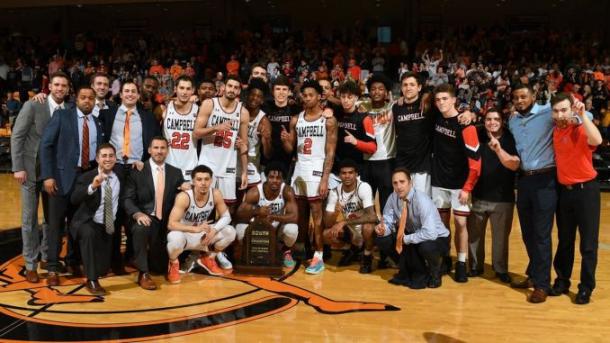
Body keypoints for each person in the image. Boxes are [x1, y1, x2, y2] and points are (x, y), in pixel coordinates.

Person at [40, 86, 105, 285]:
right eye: (83, 97)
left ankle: (72, 260)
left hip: (85, 180)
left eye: (91, 98)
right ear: (76, 99)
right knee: (55, 226)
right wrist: (48, 176)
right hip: (60, 180)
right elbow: (46, 145)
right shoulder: (62, 116)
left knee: (79, 223)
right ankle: (52, 267)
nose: (87, 101)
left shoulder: (96, 122)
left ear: (95, 101)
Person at [11, 71, 71, 284]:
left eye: (64, 85)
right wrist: (17, 167)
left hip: (52, 173)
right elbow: (17, 135)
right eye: (56, 84)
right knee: (29, 219)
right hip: (29, 170)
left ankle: (46, 257)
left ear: (68, 88)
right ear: (50, 86)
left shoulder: (68, 109)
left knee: (51, 219)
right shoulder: (34, 105)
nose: (60, 88)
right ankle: (30, 263)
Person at [99, 80, 161, 273]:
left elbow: (154, 141)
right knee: (112, 214)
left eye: (133, 91)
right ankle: (113, 259)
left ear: (138, 94)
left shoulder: (147, 117)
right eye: (126, 91)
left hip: (137, 168)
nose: (130, 94)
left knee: (134, 212)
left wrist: (144, 159)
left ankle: (133, 256)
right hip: (114, 167)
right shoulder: (107, 114)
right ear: (121, 94)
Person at [549, 93, 602, 305]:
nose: (560, 114)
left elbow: (597, 140)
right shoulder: (554, 130)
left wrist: (582, 116)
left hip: (586, 190)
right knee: (565, 240)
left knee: (588, 243)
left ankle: (586, 287)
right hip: (565, 192)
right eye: (556, 111)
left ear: (571, 109)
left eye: (564, 110)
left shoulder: (580, 127)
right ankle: (562, 281)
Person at [281, 80, 338, 274]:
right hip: (299, 169)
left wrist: (324, 178)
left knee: (317, 214)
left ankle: (319, 255)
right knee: (301, 213)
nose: (307, 98)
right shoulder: (296, 119)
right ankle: (301, 248)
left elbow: (330, 152)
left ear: (319, 96)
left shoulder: (328, 120)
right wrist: (286, 141)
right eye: (304, 95)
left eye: (311, 95)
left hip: (316, 169)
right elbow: (290, 150)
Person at [507, 84, 557, 303]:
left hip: (546, 179)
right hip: (525, 180)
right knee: (528, 233)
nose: (520, 101)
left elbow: (580, 113)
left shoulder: (548, 113)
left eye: (524, 97)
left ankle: (542, 285)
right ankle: (534, 273)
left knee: (541, 235)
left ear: (534, 96)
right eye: (516, 98)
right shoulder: (513, 121)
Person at [430, 83, 481, 283]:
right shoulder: (435, 118)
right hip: (438, 181)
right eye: (438, 99)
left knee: (460, 222)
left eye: (445, 99)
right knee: (442, 225)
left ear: (453, 100)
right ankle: (445, 259)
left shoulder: (466, 125)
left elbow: (476, 162)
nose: (441, 102)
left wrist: (468, 187)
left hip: (459, 184)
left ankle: (461, 262)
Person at [122, 136, 186, 289]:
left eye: (163, 148)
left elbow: (182, 195)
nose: (159, 151)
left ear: (167, 151)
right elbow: (127, 199)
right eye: (156, 148)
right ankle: (143, 274)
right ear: (149, 150)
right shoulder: (138, 171)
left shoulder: (176, 173)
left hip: (164, 221)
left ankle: (159, 262)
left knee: (159, 268)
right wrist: (137, 214)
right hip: (145, 217)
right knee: (141, 227)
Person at [467, 109, 520, 283]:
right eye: (488, 119)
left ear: (502, 121)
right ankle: (475, 266)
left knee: (500, 238)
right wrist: (468, 113)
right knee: (475, 236)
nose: (492, 122)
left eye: (496, 119)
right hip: (478, 195)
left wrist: (498, 149)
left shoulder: (511, 138)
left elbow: (514, 164)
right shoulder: (478, 134)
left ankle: (500, 269)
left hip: (503, 197)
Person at [376, 168, 450, 289]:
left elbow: (430, 233)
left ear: (410, 183)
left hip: (438, 238)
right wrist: (384, 230)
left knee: (426, 246)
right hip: (412, 235)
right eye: (395, 183)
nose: (399, 186)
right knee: (382, 239)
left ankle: (436, 271)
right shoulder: (393, 197)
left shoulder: (422, 200)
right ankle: (407, 268)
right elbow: (388, 221)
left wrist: (405, 239)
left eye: (402, 182)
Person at [166, 165, 236, 283]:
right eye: (199, 179)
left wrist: (214, 230)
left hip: (203, 235)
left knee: (230, 232)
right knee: (174, 238)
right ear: (193, 181)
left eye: (206, 179)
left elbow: (227, 216)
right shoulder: (184, 196)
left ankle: (208, 258)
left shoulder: (215, 193)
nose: (203, 183)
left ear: (211, 180)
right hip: (185, 235)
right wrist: (195, 229)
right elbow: (171, 224)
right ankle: (173, 263)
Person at [69, 143, 121, 295]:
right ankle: (91, 280)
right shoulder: (86, 177)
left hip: (108, 223)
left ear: (115, 159)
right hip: (87, 221)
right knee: (89, 233)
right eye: (104, 156)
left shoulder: (120, 176)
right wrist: (92, 186)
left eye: (111, 156)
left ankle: (96, 269)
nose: (108, 159)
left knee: (103, 269)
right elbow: (74, 198)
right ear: (97, 159)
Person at [193, 74, 249, 212]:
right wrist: (215, 128)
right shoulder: (210, 104)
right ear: (223, 87)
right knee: (201, 205)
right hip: (207, 163)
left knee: (227, 209)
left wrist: (245, 172)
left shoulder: (243, 112)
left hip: (228, 166)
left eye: (236, 88)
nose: (232, 90)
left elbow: (243, 143)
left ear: (239, 91)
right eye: (230, 86)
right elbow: (196, 133)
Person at [235, 162, 299, 268]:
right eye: (271, 177)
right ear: (266, 177)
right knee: (240, 229)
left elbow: (294, 217)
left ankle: (285, 251)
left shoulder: (287, 191)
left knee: (292, 229)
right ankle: (248, 251)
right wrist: (257, 211)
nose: (274, 180)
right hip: (257, 227)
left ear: (282, 179)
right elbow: (239, 214)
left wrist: (272, 217)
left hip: (277, 227)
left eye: (278, 178)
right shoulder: (255, 192)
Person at [324, 160, 378, 273]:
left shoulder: (363, 187)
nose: (347, 176)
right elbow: (328, 223)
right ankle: (350, 249)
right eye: (344, 173)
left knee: (368, 227)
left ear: (356, 174)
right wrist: (334, 213)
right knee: (326, 234)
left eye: (350, 172)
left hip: (367, 230)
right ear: (339, 175)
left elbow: (373, 217)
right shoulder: (335, 192)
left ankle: (367, 256)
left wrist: (344, 222)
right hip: (351, 231)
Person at [331, 81, 376, 189]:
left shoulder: (365, 118)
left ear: (356, 98)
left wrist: (356, 142)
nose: (346, 100)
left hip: (356, 171)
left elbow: (373, 147)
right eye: (343, 97)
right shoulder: (336, 113)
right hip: (336, 170)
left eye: (350, 97)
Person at [237, 78, 272, 190]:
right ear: (247, 95)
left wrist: (265, 140)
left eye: (259, 96)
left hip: (251, 166)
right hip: (231, 160)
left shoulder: (263, 121)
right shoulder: (237, 109)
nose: (254, 98)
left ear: (262, 100)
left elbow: (267, 154)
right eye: (253, 94)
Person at [163, 76, 199, 180]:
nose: (184, 92)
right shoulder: (164, 108)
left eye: (188, 89)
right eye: (181, 88)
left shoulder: (199, 111)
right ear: (175, 89)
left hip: (190, 167)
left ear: (193, 90)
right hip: (168, 164)